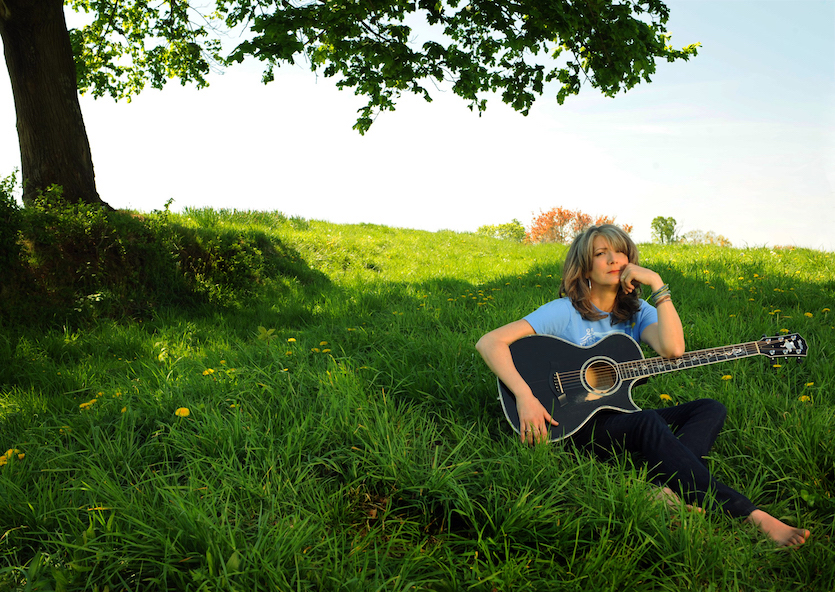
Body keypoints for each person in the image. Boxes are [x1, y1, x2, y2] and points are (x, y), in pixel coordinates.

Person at [475, 224, 809, 547]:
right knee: (647, 421)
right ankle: (751, 515)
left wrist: (657, 283)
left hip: (614, 415)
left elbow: (673, 350)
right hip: (570, 424)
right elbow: (490, 342)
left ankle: (662, 490)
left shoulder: (636, 312)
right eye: (601, 253)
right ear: (585, 268)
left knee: (710, 408)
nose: (612, 260)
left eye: (620, 252)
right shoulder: (564, 311)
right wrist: (525, 396)